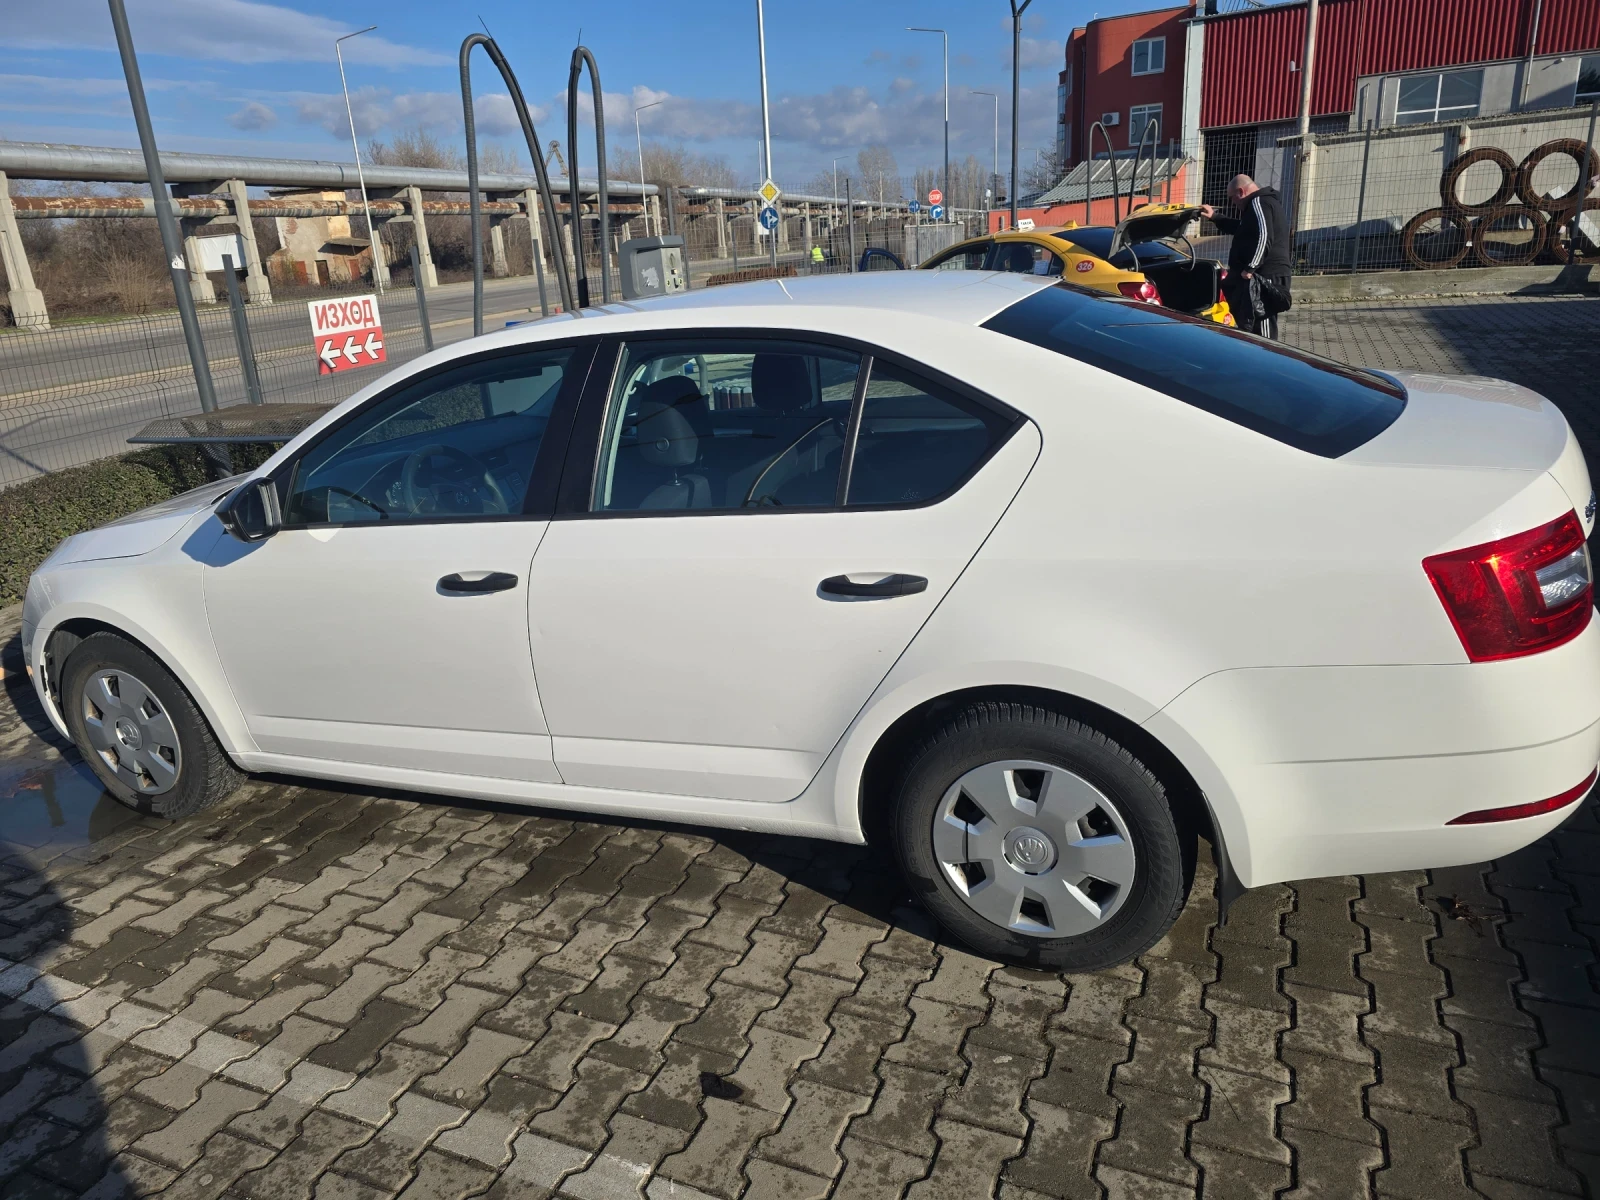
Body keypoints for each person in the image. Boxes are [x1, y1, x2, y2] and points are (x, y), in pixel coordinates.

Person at [1201, 174, 1291, 338]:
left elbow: (1264, 237)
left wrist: (1251, 267)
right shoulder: (1260, 205)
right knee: (1256, 324)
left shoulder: (1259, 203)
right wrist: (1215, 217)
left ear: (1240, 192)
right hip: (1265, 273)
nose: (1233, 203)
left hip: (1265, 275)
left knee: (1263, 326)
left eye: (1232, 199)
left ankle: (1266, 360)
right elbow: (1242, 229)